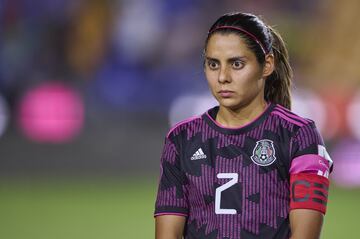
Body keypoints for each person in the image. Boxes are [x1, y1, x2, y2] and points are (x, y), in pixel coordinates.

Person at [154, 12, 333, 239]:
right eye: (213, 64)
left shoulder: (299, 135)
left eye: (236, 64)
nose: (223, 77)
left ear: (267, 65)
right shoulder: (181, 139)